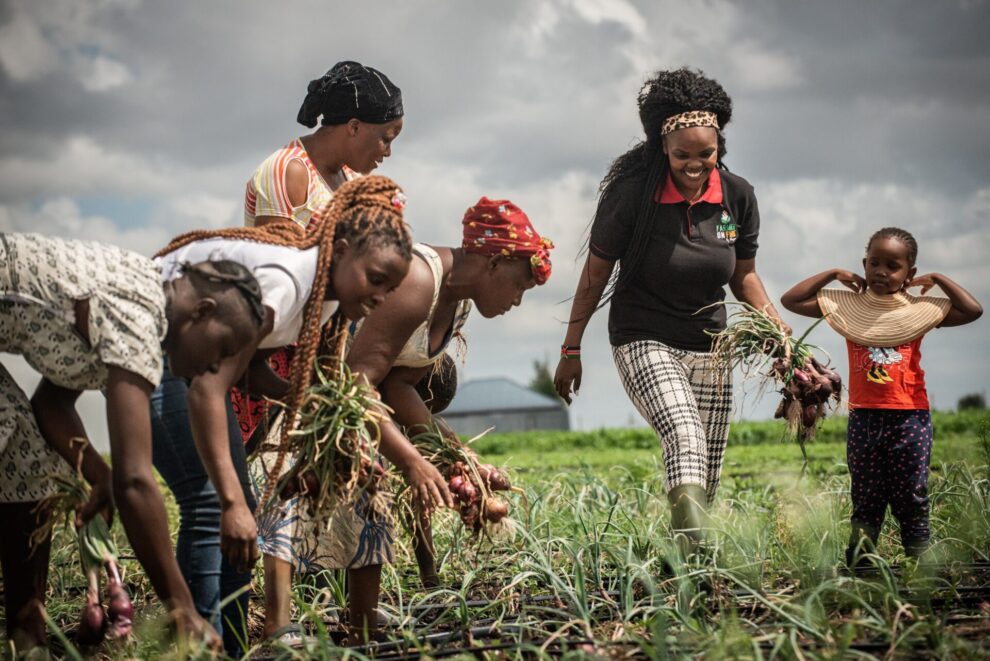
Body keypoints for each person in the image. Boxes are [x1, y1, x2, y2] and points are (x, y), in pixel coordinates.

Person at [150, 176, 447, 653]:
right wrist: (230, 504)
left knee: (238, 507)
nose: (379, 298)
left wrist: (301, 395)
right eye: (375, 279)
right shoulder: (285, 282)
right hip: (153, 345)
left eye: (389, 290)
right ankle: (199, 647)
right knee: (213, 505)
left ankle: (228, 646)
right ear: (343, 249)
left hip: (190, 362)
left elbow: (250, 370)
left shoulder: (326, 297)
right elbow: (210, 386)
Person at [553, 68, 787, 556]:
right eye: (683, 155)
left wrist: (777, 328)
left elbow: (742, 276)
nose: (695, 164)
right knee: (683, 432)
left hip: (712, 346)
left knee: (708, 465)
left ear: (719, 143)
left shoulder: (737, 196)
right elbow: (594, 277)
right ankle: (702, 552)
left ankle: (689, 571)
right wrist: (571, 348)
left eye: (706, 153)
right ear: (664, 147)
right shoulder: (632, 197)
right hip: (643, 336)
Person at [0, 231, 265, 652]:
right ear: (203, 311)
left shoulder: (141, 305)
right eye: (222, 349)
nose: (216, 366)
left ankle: (24, 640)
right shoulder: (140, 319)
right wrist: (182, 607)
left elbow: (50, 404)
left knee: (28, 455)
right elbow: (136, 482)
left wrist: (97, 475)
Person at [319, 197, 553, 639]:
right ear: (493, 264)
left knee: (372, 484)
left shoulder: (458, 302)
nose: (518, 301)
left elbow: (398, 386)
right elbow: (357, 383)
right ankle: (329, 622)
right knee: (368, 482)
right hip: (314, 388)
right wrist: (411, 460)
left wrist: (455, 454)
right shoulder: (419, 282)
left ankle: (362, 621)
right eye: (519, 287)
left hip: (353, 398)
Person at [232, 60, 405, 647]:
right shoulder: (288, 172)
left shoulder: (343, 183)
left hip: (326, 352)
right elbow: (287, 269)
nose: (387, 150)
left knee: (361, 468)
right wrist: (310, 382)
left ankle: (364, 613)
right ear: (353, 125)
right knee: (289, 477)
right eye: (385, 136)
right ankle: (277, 625)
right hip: (275, 348)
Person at [780, 227, 982, 566]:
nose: (881, 272)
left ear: (909, 273)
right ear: (864, 263)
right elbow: (791, 300)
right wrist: (832, 274)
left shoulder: (919, 312)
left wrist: (940, 279)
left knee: (911, 495)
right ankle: (861, 564)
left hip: (910, 417)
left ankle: (920, 565)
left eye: (893, 266)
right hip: (864, 416)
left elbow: (972, 310)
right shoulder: (848, 309)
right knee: (866, 495)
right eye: (874, 263)